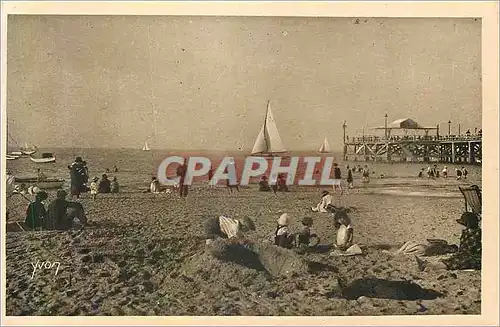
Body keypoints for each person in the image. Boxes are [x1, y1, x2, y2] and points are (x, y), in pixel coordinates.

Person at [415, 212, 481, 271]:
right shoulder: (468, 232)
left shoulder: (477, 234)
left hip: (474, 258)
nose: (463, 226)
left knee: (455, 262)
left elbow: (470, 250)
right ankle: (428, 265)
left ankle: (429, 266)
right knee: (451, 260)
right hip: (466, 255)